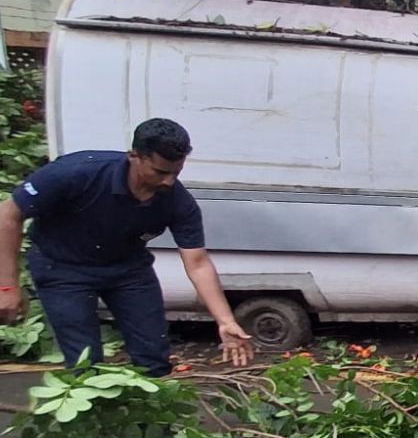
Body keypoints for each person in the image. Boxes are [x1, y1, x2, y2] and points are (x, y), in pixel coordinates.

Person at [0, 118, 255, 374]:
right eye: (160, 172)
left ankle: (151, 395)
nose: (168, 182)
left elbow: (197, 264)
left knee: (154, 355)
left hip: (128, 270)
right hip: (62, 268)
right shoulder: (75, 173)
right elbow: (8, 216)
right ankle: (89, 395)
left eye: (175, 173)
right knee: (84, 360)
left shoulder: (178, 202)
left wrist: (225, 320)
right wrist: (7, 286)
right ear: (134, 157)